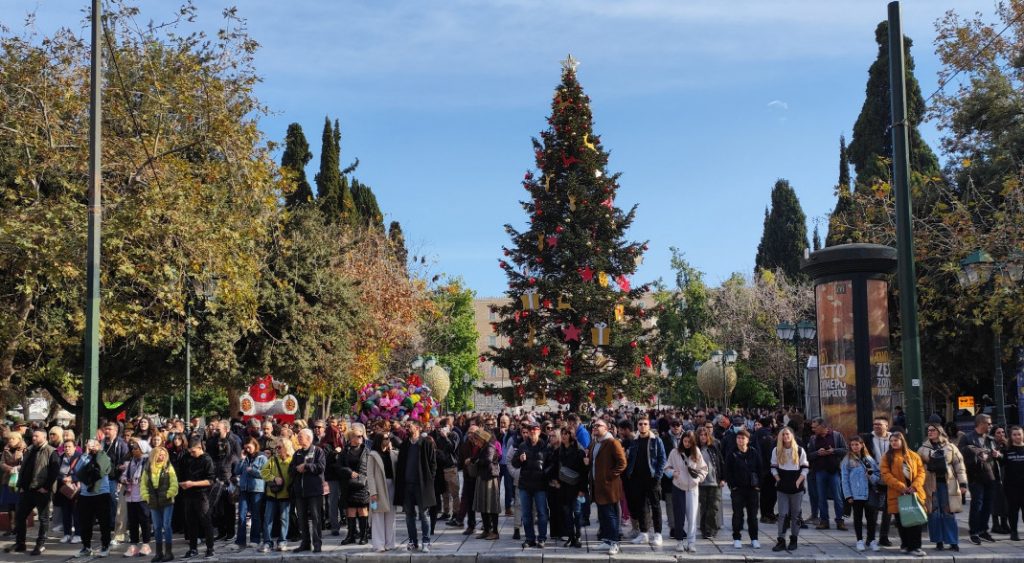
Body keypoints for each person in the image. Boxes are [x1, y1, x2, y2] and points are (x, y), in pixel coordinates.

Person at [5, 429, 58, 556]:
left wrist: (46, 487)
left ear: (44, 437)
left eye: (36, 436)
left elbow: (54, 472)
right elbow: (24, 468)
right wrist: (21, 486)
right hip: (27, 490)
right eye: (33, 436)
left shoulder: (51, 451)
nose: (33, 438)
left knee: (43, 518)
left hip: (41, 491)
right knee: (20, 516)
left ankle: (40, 544)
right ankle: (20, 543)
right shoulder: (29, 449)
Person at [918, 423, 967, 552]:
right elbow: (918, 466)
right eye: (928, 430)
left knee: (948, 512)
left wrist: (963, 483)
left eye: (933, 430)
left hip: (948, 484)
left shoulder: (950, 447)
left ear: (939, 431)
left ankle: (952, 541)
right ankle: (938, 541)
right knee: (933, 513)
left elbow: (959, 465)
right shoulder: (923, 448)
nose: (930, 432)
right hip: (930, 485)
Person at [880, 431, 926, 557]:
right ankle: (905, 545)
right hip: (897, 494)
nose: (893, 443)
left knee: (915, 521)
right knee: (901, 521)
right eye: (891, 441)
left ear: (902, 441)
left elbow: (921, 472)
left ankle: (916, 547)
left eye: (896, 440)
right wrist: (901, 487)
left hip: (914, 493)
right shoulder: (887, 457)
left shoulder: (914, 455)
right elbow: (885, 475)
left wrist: (915, 486)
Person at [394, 419, 437, 552]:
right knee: (409, 515)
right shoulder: (405, 444)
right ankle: (413, 541)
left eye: (409, 426)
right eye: (406, 426)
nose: (407, 428)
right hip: (407, 485)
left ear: (417, 428)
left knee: (424, 515)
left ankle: (426, 541)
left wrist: (429, 480)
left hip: (421, 485)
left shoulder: (426, 443)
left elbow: (433, 464)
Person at [958, 413, 1001, 544]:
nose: (991, 426)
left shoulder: (990, 439)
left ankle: (983, 530)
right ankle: (974, 532)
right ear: (981, 424)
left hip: (990, 476)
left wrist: (997, 455)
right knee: (977, 504)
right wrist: (977, 455)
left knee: (988, 505)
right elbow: (960, 457)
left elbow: (996, 456)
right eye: (989, 423)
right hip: (975, 476)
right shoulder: (967, 438)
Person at [512, 419, 555, 548]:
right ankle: (530, 538)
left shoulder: (545, 446)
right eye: (530, 430)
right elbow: (514, 463)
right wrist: (519, 459)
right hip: (525, 485)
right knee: (526, 514)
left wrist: (545, 474)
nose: (532, 432)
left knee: (542, 513)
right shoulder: (522, 445)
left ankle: (542, 538)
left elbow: (551, 464)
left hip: (540, 485)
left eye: (534, 430)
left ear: (539, 431)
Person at [625, 416, 667, 546]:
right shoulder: (634, 441)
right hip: (637, 479)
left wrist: (658, 476)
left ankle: (658, 534)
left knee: (655, 506)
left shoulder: (656, 440)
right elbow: (631, 459)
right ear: (637, 426)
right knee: (641, 506)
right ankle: (644, 533)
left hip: (652, 478)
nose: (642, 426)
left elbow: (662, 459)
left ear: (649, 426)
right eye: (640, 424)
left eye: (645, 424)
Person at [665, 430, 707, 553]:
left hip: (693, 488)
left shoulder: (697, 452)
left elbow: (704, 469)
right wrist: (673, 473)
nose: (687, 444)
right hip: (678, 487)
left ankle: (691, 542)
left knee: (692, 517)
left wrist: (698, 479)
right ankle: (679, 541)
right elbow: (666, 468)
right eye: (685, 441)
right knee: (679, 516)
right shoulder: (674, 452)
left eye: (689, 442)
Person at [589, 418, 626, 555]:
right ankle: (607, 540)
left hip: (609, 486)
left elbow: (622, 463)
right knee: (603, 515)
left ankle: (614, 542)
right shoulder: (595, 443)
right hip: (597, 485)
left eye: (598, 425)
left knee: (611, 515)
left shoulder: (612, 442)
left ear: (606, 428)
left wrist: (609, 476)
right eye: (594, 425)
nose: (595, 427)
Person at [770, 426, 808, 552]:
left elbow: (805, 468)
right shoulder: (776, 450)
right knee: (782, 514)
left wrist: (798, 481)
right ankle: (781, 540)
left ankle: (794, 539)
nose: (785, 436)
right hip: (782, 487)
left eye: (787, 434)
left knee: (795, 515)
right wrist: (778, 479)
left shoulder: (800, 450)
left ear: (792, 435)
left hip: (796, 487)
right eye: (783, 434)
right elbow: (773, 467)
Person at [840, 435, 881, 552]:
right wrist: (848, 495)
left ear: (862, 445)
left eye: (857, 444)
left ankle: (872, 540)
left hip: (869, 493)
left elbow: (878, 475)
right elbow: (844, 479)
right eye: (852, 445)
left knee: (871, 518)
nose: (855, 447)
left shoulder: (869, 459)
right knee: (857, 518)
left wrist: (871, 476)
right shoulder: (847, 460)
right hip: (856, 493)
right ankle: (859, 540)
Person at [807, 418, 848, 531]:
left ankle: (840, 520)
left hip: (834, 471)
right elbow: (809, 455)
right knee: (821, 497)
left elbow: (845, 450)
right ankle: (824, 521)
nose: (813, 429)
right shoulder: (813, 439)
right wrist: (817, 453)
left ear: (823, 426)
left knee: (838, 497)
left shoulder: (837, 436)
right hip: (819, 471)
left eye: (815, 427)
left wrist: (833, 451)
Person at [290, 428, 326, 553]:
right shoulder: (297, 453)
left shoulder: (318, 451)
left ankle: (317, 544)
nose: (298, 439)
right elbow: (291, 470)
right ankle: (305, 543)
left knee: (316, 518)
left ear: (309, 438)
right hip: (300, 491)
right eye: (298, 436)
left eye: (300, 437)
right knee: (302, 518)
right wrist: (297, 469)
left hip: (314, 490)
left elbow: (321, 467)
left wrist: (306, 466)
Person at [76, 438, 113, 558]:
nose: (92, 447)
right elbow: (77, 470)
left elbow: (100, 471)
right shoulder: (84, 457)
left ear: (99, 446)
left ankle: (105, 545)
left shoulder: (103, 457)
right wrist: (85, 454)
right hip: (85, 495)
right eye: (89, 445)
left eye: (94, 445)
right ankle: (86, 546)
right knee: (85, 523)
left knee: (104, 522)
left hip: (101, 494)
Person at [725, 428, 762, 549]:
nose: (740, 440)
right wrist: (733, 485)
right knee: (737, 514)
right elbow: (728, 471)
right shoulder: (732, 453)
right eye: (738, 438)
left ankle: (754, 538)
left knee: (753, 515)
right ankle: (736, 538)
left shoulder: (754, 452)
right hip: (738, 489)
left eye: (742, 438)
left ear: (748, 440)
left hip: (752, 489)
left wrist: (758, 486)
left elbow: (760, 469)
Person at [141, 445, 178, 562]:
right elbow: (143, 484)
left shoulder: (168, 467)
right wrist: (146, 497)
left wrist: (169, 494)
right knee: (157, 527)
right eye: (160, 454)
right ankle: (158, 553)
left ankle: (169, 552)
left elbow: (174, 483)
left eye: (164, 455)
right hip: (153, 501)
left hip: (167, 500)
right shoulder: (148, 468)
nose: (162, 457)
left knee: (166, 525)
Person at [180, 438, 216, 559]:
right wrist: (182, 484)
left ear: (200, 448)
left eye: (193, 451)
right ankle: (193, 548)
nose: (191, 454)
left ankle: (210, 548)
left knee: (206, 521)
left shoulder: (207, 459)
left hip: (202, 495)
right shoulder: (187, 458)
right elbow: (182, 475)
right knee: (191, 523)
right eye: (190, 451)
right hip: (188, 495)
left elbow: (210, 481)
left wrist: (193, 484)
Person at [861, 416, 893, 546]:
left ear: (887, 426)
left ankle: (884, 537)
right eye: (875, 424)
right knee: (871, 509)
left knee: (888, 510)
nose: (877, 426)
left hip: (890, 478)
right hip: (872, 478)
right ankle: (870, 537)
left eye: (880, 424)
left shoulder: (894, 439)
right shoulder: (867, 439)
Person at [554, 427, 588, 548]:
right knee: (567, 513)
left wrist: (582, 489)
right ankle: (570, 536)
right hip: (564, 487)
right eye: (562, 434)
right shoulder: (559, 451)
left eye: (566, 434)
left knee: (577, 513)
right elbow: (555, 467)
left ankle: (578, 536)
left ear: (571, 435)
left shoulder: (579, 451)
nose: (563, 436)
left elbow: (584, 472)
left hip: (576, 487)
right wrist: (556, 481)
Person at [337, 423, 370, 545]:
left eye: (362, 436)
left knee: (362, 509)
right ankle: (351, 535)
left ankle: (363, 535)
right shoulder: (345, 451)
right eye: (358, 436)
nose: (361, 438)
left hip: (362, 484)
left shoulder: (366, 451)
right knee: (350, 509)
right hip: (348, 484)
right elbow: (338, 467)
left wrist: (365, 477)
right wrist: (349, 472)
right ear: (351, 438)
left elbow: (370, 467)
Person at [232, 438, 267, 550]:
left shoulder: (262, 457)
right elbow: (236, 471)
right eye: (245, 447)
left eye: (249, 447)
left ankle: (255, 539)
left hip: (257, 489)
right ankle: (240, 541)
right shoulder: (245, 458)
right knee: (241, 515)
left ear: (255, 445)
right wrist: (241, 459)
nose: (247, 449)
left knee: (255, 515)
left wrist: (252, 471)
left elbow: (265, 474)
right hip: (244, 489)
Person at [259, 439, 293, 553]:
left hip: (285, 494)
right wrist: (273, 478)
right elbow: (263, 472)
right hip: (272, 494)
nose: (277, 450)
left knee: (284, 519)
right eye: (276, 447)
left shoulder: (291, 461)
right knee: (268, 519)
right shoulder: (273, 459)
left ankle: (282, 541)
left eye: (279, 447)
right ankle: (267, 542)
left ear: (286, 448)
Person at [366, 432, 398, 552]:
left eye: (389, 438)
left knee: (391, 515)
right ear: (380, 440)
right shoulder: (373, 455)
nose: (388, 440)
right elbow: (370, 475)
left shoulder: (393, 454)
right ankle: (378, 544)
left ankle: (390, 543)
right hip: (378, 488)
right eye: (386, 438)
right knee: (377, 514)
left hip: (392, 487)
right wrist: (373, 492)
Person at [120, 439, 152, 557]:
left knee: (144, 520)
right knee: (132, 521)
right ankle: (133, 545)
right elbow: (124, 475)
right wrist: (124, 479)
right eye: (133, 448)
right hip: (130, 495)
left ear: (142, 449)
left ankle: (146, 544)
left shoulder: (148, 462)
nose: (133, 450)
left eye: (136, 448)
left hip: (143, 495)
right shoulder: (131, 462)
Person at [470, 428, 501, 540]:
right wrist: (473, 459)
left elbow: (487, 460)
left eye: (476, 440)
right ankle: (486, 530)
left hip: (490, 479)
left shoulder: (490, 447)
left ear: (482, 439)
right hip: (482, 477)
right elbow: (478, 458)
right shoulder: (482, 448)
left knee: (492, 506)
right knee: (483, 505)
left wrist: (477, 461)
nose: (475, 443)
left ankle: (495, 532)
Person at [696, 426, 724, 539]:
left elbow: (720, 462)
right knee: (704, 507)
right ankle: (705, 530)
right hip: (701, 483)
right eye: (701, 435)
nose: (703, 437)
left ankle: (711, 529)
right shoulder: (695, 449)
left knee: (713, 507)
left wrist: (722, 478)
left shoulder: (714, 447)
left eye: (705, 435)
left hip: (714, 482)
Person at [432, 418, 460, 521]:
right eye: (441, 427)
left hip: (451, 467)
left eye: (444, 426)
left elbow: (452, 448)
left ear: (450, 426)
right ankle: (446, 512)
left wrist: (446, 437)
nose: (442, 429)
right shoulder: (440, 437)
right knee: (445, 493)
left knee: (454, 492)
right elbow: (438, 449)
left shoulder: (454, 435)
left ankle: (456, 513)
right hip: (442, 467)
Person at [55, 438, 82, 544]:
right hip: (64, 488)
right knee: (65, 512)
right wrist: (62, 478)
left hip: (76, 489)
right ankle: (67, 534)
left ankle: (78, 534)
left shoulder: (80, 457)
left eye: (69, 447)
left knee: (76, 512)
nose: (67, 449)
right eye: (65, 447)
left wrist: (72, 478)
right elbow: (56, 472)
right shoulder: (60, 458)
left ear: (75, 448)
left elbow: (83, 472)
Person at [1001, 425, 1024, 541]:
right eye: (1014, 435)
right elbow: (1001, 463)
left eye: (1019, 434)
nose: (1017, 437)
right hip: (1011, 486)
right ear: (1011, 436)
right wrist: (998, 456)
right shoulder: (1006, 450)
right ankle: (1014, 532)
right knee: (1013, 510)